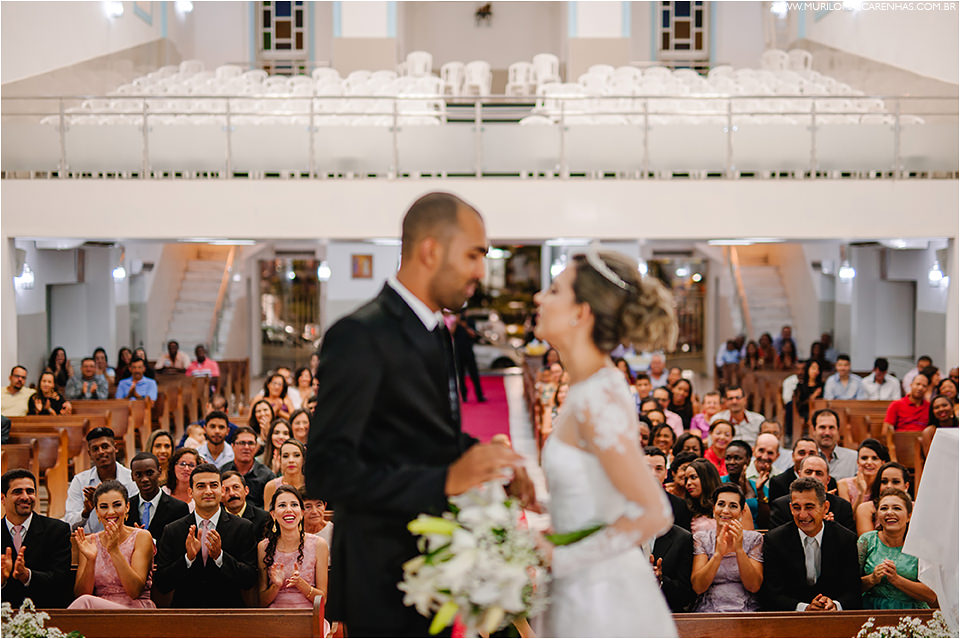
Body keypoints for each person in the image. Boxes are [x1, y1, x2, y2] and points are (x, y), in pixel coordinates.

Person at [305, 193, 532, 636]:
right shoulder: (360, 334)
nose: (481, 272)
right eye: (473, 255)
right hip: (382, 577)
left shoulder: (434, 332)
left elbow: (424, 433)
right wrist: (445, 480)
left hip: (433, 563)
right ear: (431, 250)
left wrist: (488, 459)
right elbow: (326, 471)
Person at [530, 245, 677, 637]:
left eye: (554, 290)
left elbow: (654, 513)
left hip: (601, 601)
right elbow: (598, 498)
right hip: (579, 588)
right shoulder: (586, 387)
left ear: (581, 313)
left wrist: (562, 558)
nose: (539, 298)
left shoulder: (599, 394)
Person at [154, 464, 258, 607]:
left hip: (229, 611)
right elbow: (162, 584)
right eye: (201, 486)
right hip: (185, 612)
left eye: (213, 485)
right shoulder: (173, 530)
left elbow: (250, 579)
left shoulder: (243, 528)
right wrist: (188, 559)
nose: (208, 491)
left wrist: (220, 557)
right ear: (190, 492)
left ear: (222, 490)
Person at [761, 477, 861, 612]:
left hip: (833, 617)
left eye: (809, 507)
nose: (802, 515)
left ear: (825, 507)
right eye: (797, 508)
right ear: (790, 508)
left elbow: (853, 591)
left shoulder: (846, 539)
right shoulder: (775, 540)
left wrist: (835, 605)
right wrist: (804, 608)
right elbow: (771, 593)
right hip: (791, 616)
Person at [69, 480, 156, 609]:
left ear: (127, 507)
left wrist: (114, 550)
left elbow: (134, 591)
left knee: (86, 602)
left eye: (117, 505)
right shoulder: (89, 542)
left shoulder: (141, 537)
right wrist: (91, 560)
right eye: (104, 507)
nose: (110, 512)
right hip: (98, 611)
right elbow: (81, 594)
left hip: (134, 610)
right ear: (97, 511)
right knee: (85, 601)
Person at [1, 469, 72, 608]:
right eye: (17, 492)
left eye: (30, 491)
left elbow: (61, 581)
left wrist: (27, 575)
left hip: (45, 610)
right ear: (3, 498)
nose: (25, 497)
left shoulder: (57, 530)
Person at [858, 488, 937, 609]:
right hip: (871, 610)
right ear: (878, 515)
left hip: (912, 613)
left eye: (897, 508)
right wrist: (872, 579)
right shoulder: (867, 540)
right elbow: (849, 586)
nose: (889, 512)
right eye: (884, 508)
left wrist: (896, 579)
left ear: (909, 516)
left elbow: (931, 595)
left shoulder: (921, 545)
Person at [691, 483, 763, 612]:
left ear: (742, 512)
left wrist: (739, 549)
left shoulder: (754, 539)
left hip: (746, 610)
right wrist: (718, 554)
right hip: (709, 611)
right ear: (714, 508)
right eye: (721, 504)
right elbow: (698, 587)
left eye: (733, 506)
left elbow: (754, 586)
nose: (725, 511)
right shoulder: (701, 539)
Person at [258, 485, 329, 611]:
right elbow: (261, 602)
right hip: (274, 616)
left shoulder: (319, 544)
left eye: (294, 505)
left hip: (309, 615)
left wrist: (300, 583)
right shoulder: (264, 547)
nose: (289, 510)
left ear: (301, 513)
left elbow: (323, 599)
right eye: (282, 505)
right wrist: (276, 586)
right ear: (273, 514)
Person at [63, 427, 139, 533]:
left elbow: (137, 516)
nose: (101, 452)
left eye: (105, 447)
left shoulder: (131, 479)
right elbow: (69, 524)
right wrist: (86, 511)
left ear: (115, 448)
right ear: (89, 454)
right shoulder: (80, 481)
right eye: (95, 449)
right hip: (89, 539)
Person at [770, 455, 855, 534]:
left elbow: (849, 540)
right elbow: (776, 539)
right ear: (799, 475)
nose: (813, 476)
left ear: (828, 480)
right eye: (808, 472)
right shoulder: (781, 506)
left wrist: (829, 526)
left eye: (819, 473)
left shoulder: (842, 506)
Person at [124, 453, 189, 543]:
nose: (144, 479)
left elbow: (180, 544)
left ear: (159, 472)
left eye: (149, 473)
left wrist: (149, 541)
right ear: (132, 476)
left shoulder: (179, 508)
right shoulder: (126, 507)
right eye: (138, 475)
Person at [222, 426, 275, 509]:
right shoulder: (222, 472)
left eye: (250, 443)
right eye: (242, 443)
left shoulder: (267, 476)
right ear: (232, 446)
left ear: (256, 447)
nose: (246, 447)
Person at [854, 462, 911, 537]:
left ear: (906, 486)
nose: (889, 486)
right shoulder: (865, 508)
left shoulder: (916, 508)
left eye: (895, 482)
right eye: (884, 482)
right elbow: (867, 541)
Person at [645, 446, 692, 532]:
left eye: (659, 469)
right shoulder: (624, 502)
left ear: (666, 473)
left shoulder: (680, 506)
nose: (653, 474)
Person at [837, 439, 888, 512]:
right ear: (858, 462)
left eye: (874, 458)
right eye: (864, 458)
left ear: (882, 463)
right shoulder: (843, 485)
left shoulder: (885, 485)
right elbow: (848, 517)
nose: (869, 462)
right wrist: (861, 493)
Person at [721, 440, 763, 523]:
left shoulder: (758, 486)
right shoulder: (718, 482)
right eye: (728, 458)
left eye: (737, 458)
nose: (732, 462)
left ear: (748, 460)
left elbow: (765, 520)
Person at [221, 470, 270, 540]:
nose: (232, 493)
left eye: (236, 487)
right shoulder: (217, 519)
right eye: (226, 490)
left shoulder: (263, 518)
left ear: (246, 490)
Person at [812, 408, 858, 480]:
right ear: (814, 430)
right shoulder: (803, 457)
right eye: (822, 427)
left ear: (838, 430)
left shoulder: (854, 459)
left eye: (831, 427)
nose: (827, 433)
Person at [453, 311, 487, 403]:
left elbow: (473, 334)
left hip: (468, 351)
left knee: (474, 374)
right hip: (458, 352)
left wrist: (465, 326)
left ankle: (479, 395)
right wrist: (456, 322)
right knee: (461, 375)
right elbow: (451, 333)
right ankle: (463, 396)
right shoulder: (455, 323)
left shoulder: (470, 321)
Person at [263, 439, 306, 508]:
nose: (291, 460)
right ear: (280, 460)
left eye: (296, 455)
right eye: (285, 456)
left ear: (303, 459)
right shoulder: (271, 486)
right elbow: (268, 513)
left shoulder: (312, 484)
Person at [919, 394, 959, 460]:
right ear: (933, 412)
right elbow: (930, 458)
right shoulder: (929, 432)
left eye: (944, 405)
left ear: (952, 407)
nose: (941, 409)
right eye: (937, 407)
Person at [794, 359, 825, 427]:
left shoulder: (822, 386)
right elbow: (799, 405)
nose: (816, 371)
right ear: (808, 369)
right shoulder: (801, 386)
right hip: (805, 412)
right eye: (813, 368)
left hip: (820, 411)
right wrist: (813, 396)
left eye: (818, 369)